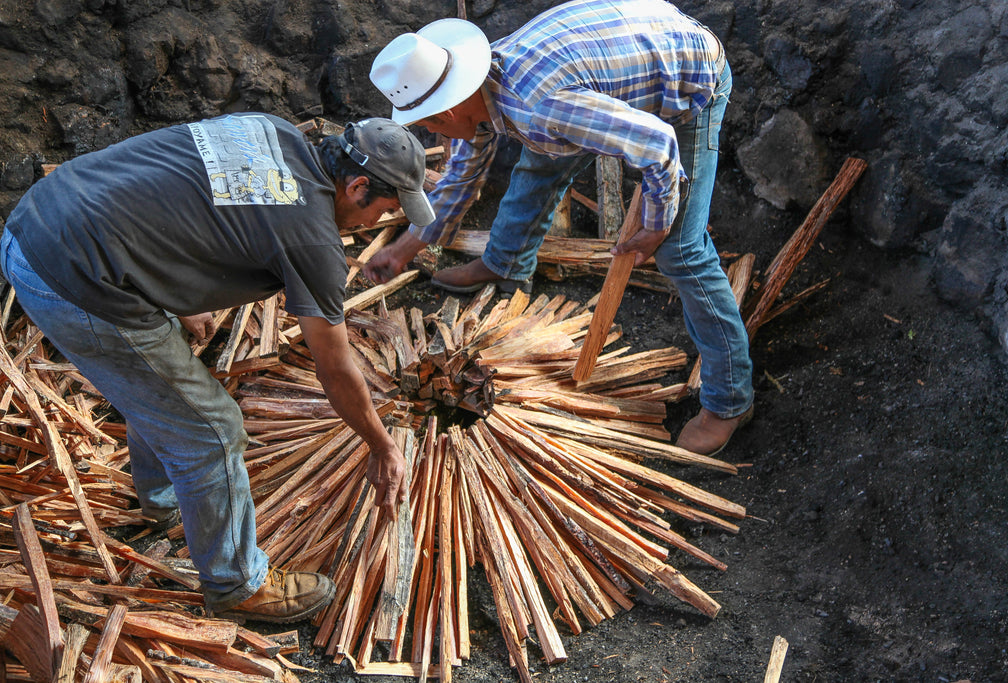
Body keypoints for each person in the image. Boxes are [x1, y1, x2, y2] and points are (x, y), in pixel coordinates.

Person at [0, 113, 434, 622]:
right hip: (72, 275)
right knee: (213, 430)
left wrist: (179, 298)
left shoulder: (273, 130)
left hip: (40, 218)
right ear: (357, 186)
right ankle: (236, 584)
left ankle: (163, 502)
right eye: (383, 210)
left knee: (163, 387)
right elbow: (334, 370)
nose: (375, 224)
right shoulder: (312, 241)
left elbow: (180, 194)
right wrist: (381, 445)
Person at [363, 0, 753, 455]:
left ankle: (729, 401)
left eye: (430, 125)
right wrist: (407, 247)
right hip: (615, 72)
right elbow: (462, 176)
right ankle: (504, 261)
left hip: (689, 82)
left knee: (680, 251)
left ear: (448, 112)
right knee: (540, 164)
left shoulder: (542, 108)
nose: (436, 137)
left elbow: (658, 144)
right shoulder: (481, 90)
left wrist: (658, 222)